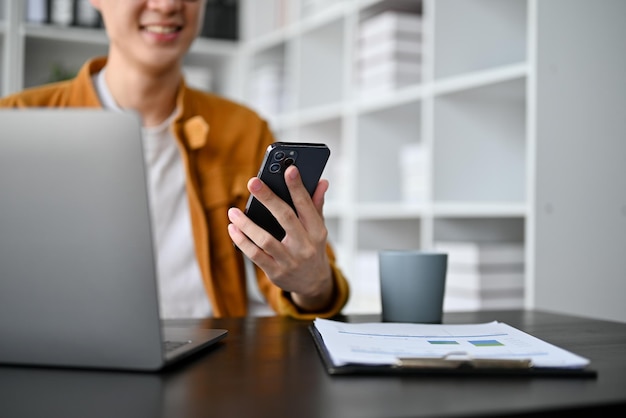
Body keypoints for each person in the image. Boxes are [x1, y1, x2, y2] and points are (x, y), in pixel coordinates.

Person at [0, 0, 349, 319]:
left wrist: (312, 284)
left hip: (214, 366)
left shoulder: (243, 129)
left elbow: (300, 286)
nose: (167, 5)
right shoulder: (14, 119)